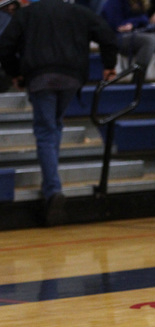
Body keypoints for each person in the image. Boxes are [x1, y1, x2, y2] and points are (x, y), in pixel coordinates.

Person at [0, 0, 118, 226]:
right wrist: (109, 64)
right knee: (54, 125)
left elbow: (4, 45)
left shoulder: (27, 14)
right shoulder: (78, 12)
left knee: (46, 130)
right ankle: (52, 186)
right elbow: (107, 35)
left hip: (40, 76)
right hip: (71, 77)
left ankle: (53, 190)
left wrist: (15, 73)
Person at [100, 0, 155, 81]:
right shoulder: (113, 3)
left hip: (137, 34)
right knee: (149, 40)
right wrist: (136, 22)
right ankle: (137, 79)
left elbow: (145, 20)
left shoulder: (141, 2)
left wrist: (134, 23)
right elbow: (118, 26)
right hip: (116, 38)